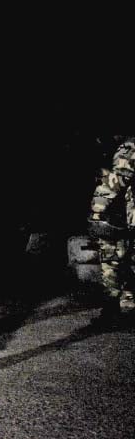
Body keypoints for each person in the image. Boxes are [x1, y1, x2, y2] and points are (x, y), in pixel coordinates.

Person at [88, 136, 134, 326]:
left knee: (114, 260)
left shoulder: (130, 147)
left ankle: (114, 311)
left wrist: (97, 210)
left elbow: (116, 181)